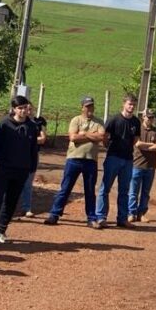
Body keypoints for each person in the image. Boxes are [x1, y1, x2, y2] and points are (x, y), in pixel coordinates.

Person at [0, 95, 40, 245]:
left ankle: (0, 229)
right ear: (14, 109)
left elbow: (33, 148)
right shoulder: (4, 124)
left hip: (22, 169)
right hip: (3, 169)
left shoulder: (32, 126)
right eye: (20, 108)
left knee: (12, 201)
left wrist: (32, 166)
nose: (23, 111)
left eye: (25, 108)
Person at [44, 96, 106, 227]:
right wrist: (91, 135)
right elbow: (73, 137)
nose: (90, 108)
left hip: (91, 160)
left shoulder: (99, 122)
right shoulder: (76, 120)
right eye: (87, 106)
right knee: (65, 188)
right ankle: (54, 214)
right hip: (74, 159)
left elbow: (101, 136)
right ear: (82, 107)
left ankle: (91, 218)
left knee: (90, 191)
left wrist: (84, 134)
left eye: (91, 106)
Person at [95, 94, 141, 229]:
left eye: (133, 104)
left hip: (128, 159)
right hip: (113, 158)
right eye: (129, 104)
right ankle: (101, 217)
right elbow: (105, 136)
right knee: (105, 188)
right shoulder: (114, 119)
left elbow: (135, 139)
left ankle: (122, 219)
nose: (131, 107)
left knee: (124, 190)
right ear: (124, 104)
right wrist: (108, 146)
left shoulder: (136, 122)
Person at [127, 109, 156, 223]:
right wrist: (152, 145)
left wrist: (146, 146)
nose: (150, 119)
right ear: (143, 117)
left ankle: (141, 213)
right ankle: (131, 213)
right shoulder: (137, 129)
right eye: (148, 117)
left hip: (151, 166)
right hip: (137, 164)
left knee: (145, 192)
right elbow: (138, 144)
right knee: (133, 192)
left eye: (152, 117)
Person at [16, 104, 48, 218]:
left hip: (32, 155)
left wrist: (28, 139)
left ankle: (26, 207)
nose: (28, 111)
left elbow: (43, 139)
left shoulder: (39, 123)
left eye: (30, 109)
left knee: (28, 183)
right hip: (17, 156)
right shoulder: (17, 122)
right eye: (26, 109)